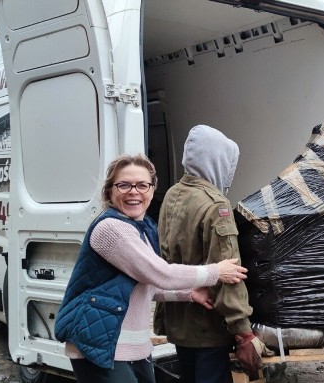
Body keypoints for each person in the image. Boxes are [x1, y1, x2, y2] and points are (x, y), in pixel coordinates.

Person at [54, 154, 249, 383]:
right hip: (100, 344)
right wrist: (216, 271)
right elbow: (160, 273)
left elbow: (146, 284)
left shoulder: (141, 228)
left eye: (142, 185)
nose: (133, 192)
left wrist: (188, 293)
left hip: (133, 348)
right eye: (124, 185)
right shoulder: (111, 228)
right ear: (109, 191)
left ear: (151, 190)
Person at [157, 125, 268, 383]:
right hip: (207, 326)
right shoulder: (216, 206)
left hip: (179, 322)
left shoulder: (172, 195)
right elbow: (227, 273)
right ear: (217, 160)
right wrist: (243, 333)